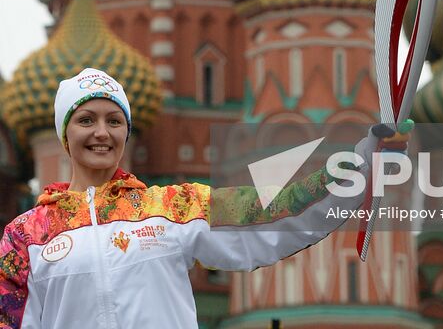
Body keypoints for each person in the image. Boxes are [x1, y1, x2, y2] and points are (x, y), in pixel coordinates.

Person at [0, 67, 382, 329]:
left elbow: (276, 211)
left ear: (126, 133)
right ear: (66, 136)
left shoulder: (170, 208)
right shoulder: (27, 236)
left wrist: (365, 161)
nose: (102, 132)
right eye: (86, 120)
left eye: (114, 121)